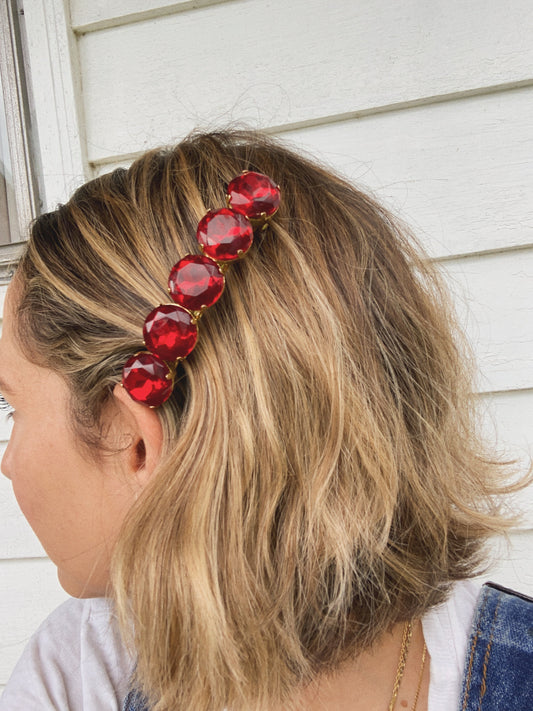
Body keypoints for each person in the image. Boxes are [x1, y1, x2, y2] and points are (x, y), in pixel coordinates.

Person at [0, 129, 531, 711]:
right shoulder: (75, 674)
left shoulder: (80, 680)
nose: (6, 462)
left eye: (13, 408)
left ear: (135, 442)